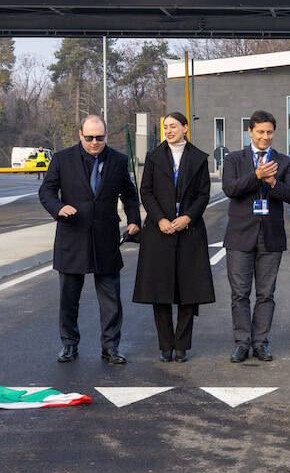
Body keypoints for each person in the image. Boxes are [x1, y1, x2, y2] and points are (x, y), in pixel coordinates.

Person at [39, 114, 140, 364]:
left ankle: (110, 348)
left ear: (106, 136)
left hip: (106, 238)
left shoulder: (118, 160)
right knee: (69, 298)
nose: (95, 142)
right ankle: (69, 345)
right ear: (80, 135)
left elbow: (129, 194)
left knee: (111, 299)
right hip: (72, 236)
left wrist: (134, 220)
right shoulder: (62, 159)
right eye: (89, 138)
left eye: (100, 138)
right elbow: (46, 191)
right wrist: (58, 208)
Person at [132, 112, 215, 362]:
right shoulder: (154, 157)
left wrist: (188, 217)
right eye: (165, 127)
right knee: (161, 292)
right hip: (160, 233)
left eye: (173, 126)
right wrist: (161, 219)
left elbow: (203, 194)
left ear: (185, 128)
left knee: (189, 292)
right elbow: (145, 191)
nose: (169, 131)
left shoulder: (198, 158)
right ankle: (165, 346)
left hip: (189, 232)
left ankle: (182, 346)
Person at [222, 110, 290, 363]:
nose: (265, 137)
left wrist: (273, 182)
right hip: (240, 237)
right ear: (250, 132)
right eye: (260, 132)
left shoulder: (284, 161)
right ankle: (242, 343)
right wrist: (256, 176)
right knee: (240, 293)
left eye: (269, 132)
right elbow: (230, 189)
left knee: (266, 294)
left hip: (271, 237)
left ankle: (261, 342)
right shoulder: (234, 159)